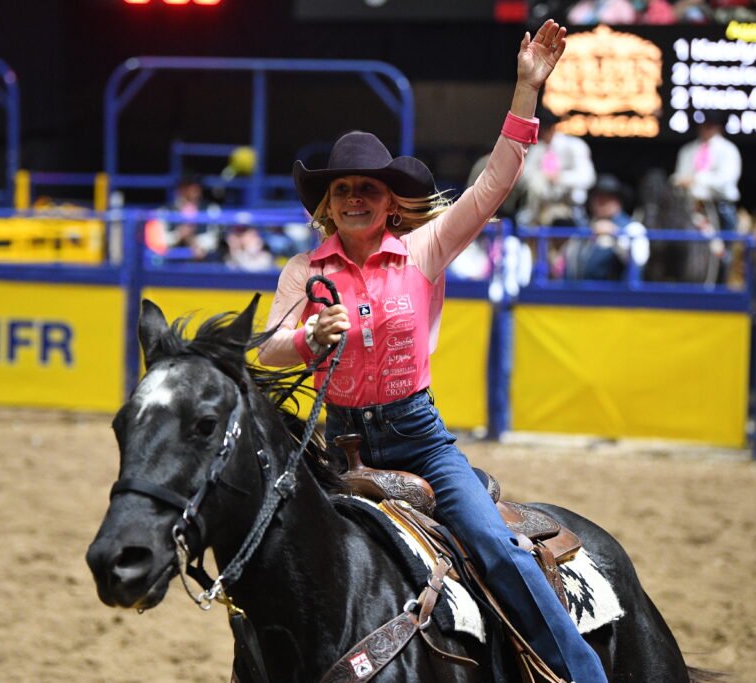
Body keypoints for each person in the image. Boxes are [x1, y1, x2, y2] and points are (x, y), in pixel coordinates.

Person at [259, 20, 607, 683]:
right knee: (273, 553)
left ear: (391, 201)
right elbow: (268, 348)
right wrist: (309, 337)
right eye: (343, 189)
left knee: (499, 552)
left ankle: (586, 676)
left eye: (368, 187)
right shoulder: (305, 269)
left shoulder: (424, 250)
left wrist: (525, 90)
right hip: (335, 445)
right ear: (329, 207)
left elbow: (494, 184)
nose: (355, 196)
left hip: (419, 439)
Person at [515, 108, 597, 228]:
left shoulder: (574, 146)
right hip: (539, 210)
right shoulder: (537, 149)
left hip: (569, 209)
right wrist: (543, 177)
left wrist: (560, 178)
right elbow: (523, 177)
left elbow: (587, 177)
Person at [562, 174, 649, 281]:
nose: (600, 202)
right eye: (597, 197)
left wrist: (615, 233)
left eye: (607, 198)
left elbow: (638, 260)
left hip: (615, 295)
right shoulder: (585, 228)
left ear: (618, 201)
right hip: (581, 293)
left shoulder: (633, 227)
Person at [672, 110, 741, 234]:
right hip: (690, 205)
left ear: (718, 127)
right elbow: (680, 174)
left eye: (709, 125)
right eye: (702, 125)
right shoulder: (687, 150)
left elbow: (726, 179)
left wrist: (696, 179)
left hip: (718, 204)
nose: (705, 129)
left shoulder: (728, 150)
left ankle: (725, 251)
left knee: (725, 241)